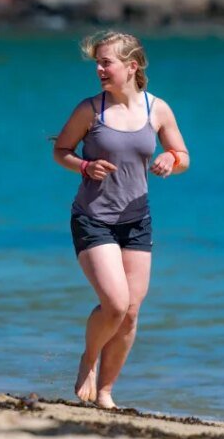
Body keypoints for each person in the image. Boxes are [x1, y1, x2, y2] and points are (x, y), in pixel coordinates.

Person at [52, 31, 189, 409]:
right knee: (114, 303)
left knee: (130, 313)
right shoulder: (90, 110)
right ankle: (88, 359)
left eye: (106, 62)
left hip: (137, 220)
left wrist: (171, 160)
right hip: (93, 218)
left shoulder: (157, 109)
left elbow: (182, 154)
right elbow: (61, 150)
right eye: (97, 62)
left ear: (131, 67)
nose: (98, 69)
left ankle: (107, 393)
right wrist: (83, 165)